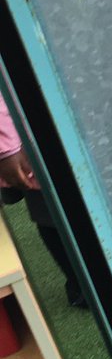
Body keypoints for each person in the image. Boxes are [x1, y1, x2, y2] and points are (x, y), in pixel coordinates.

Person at [0, 93, 86, 308]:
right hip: (26, 127)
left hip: (59, 107)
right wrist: (6, 148)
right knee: (50, 210)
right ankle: (82, 287)